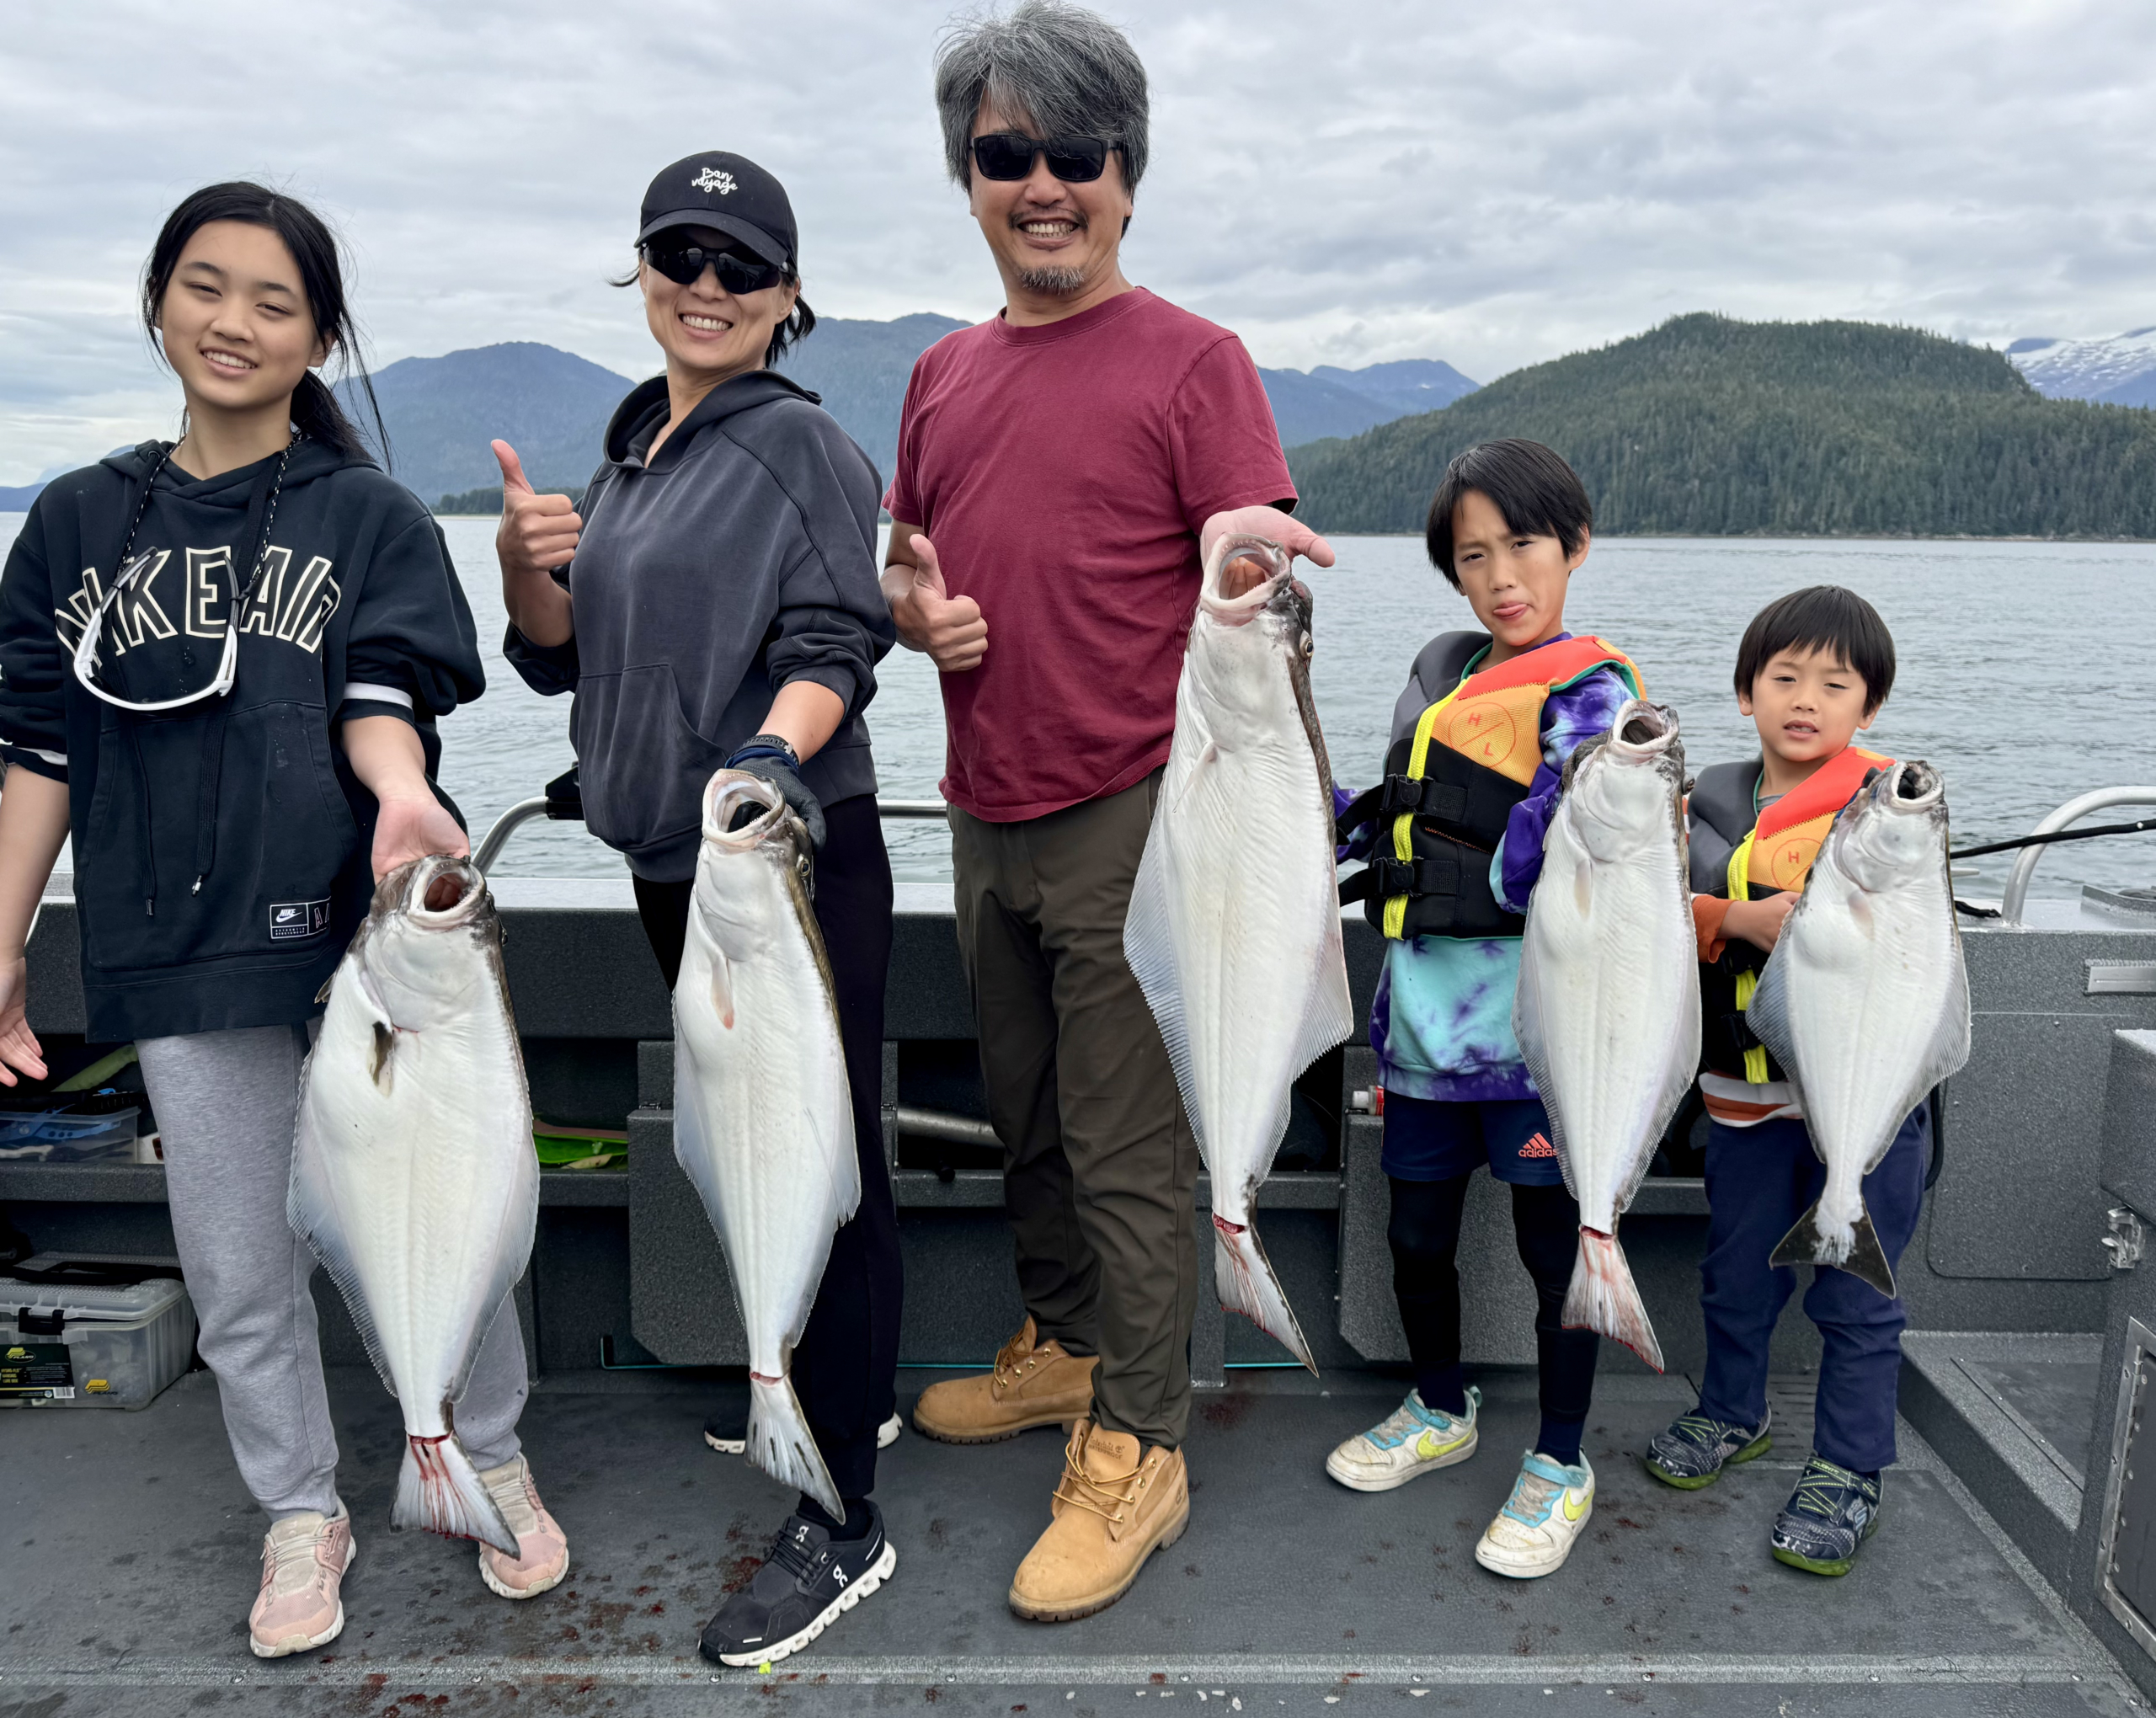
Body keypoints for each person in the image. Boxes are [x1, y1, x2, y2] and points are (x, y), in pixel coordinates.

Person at [0, 182, 565, 1657]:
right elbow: (37, 755)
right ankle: (300, 1509)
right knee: (241, 1264)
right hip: (178, 958)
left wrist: (397, 795)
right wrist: (1, 950)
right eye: (206, 286)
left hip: (367, 954)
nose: (233, 321)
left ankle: (481, 1449)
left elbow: (383, 694)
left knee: (438, 1231)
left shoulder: (366, 514)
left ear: (319, 337)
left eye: (273, 301)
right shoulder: (68, 526)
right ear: (156, 303)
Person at [884, 0, 1331, 1623]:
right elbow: (907, 558)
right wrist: (910, 614)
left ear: (1128, 176)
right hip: (982, 809)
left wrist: (1246, 563)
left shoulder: (1197, 360)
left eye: (1076, 153)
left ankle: (1142, 1444)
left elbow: (1251, 550)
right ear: (972, 178)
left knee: (1135, 1157)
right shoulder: (941, 371)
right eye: (1008, 156)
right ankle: (1069, 1353)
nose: (1044, 184)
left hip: (1149, 821)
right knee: (1032, 1121)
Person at [494, 150, 903, 1667]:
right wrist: (528, 566)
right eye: (682, 252)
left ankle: (846, 1512)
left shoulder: (798, 447)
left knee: (824, 1149)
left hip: (785, 863)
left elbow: (838, 639)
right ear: (643, 269)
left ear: (789, 298)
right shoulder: (628, 457)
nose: (708, 285)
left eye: (743, 265)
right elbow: (563, 661)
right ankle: (819, 1393)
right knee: (746, 1140)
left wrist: (760, 762)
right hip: (669, 865)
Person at [1326, 439, 1643, 1581]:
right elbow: (1415, 815)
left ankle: (1561, 1459)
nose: (1503, 575)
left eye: (1523, 546)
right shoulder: (1455, 682)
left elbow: (1557, 835)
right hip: (1420, 1034)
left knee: (1552, 1242)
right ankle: (1440, 1404)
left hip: (1537, 1046)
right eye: (1474, 556)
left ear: (1575, 547)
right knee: (1415, 1232)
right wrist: (1333, 813)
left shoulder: (1596, 691)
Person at [1641, 585, 1920, 1578]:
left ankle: (1849, 1469)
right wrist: (1735, 918)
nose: (1806, 698)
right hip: (1746, 1100)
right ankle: (1731, 1411)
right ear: (1746, 693)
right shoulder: (1704, 800)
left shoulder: (1892, 806)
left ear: (1868, 708)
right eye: (1784, 677)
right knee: (1735, 1271)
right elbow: (1651, 903)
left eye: (1834, 683)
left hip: (1868, 1107)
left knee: (1856, 1291)